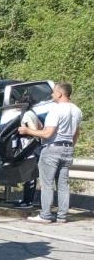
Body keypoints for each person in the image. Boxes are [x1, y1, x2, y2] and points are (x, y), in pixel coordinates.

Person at [19, 82, 82, 224]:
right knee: (63, 185)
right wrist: (70, 146)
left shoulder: (56, 110)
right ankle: (62, 216)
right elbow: (76, 133)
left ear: (60, 94)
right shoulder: (77, 110)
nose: (52, 95)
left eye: (54, 92)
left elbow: (48, 133)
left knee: (47, 184)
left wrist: (27, 131)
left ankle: (45, 215)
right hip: (68, 149)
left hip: (52, 148)